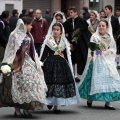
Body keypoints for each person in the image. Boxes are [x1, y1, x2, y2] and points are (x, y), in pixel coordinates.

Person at [0, 17, 47, 118]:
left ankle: (26, 108)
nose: (31, 27)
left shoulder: (29, 35)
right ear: (24, 24)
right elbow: (10, 51)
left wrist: (36, 62)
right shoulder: (14, 35)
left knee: (31, 85)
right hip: (17, 62)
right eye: (30, 25)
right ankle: (17, 110)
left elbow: (32, 51)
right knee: (19, 86)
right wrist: (9, 64)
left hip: (28, 61)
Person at [78, 19, 120, 110]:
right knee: (93, 78)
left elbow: (113, 48)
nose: (101, 27)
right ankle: (90, 99)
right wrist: (92, 56)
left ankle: (108, 102)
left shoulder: (110, 37)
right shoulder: (94, 36)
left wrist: (109, 51)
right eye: (100, 26)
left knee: (110, 78)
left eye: (103, 26)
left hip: (107, 60)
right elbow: (91, 49)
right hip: (97, 60)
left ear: (107, 27)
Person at [40, 22, 80, 113]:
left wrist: (69, 65)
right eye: (54, 29)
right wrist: (41, 63)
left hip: (61, 64)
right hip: (50, 63)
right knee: (49, 83)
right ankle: (49, 101)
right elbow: (44, 53)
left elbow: (67, 55)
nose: (55, 31)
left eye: (57, 30)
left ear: (61, 31)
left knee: (59, 84)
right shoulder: (48, 40)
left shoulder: (64, 41)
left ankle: (56, 106)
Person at [63, 6, 90, 82]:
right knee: (72, 58)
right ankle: (73, 74)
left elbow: (85, 32)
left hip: (80, 43)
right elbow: (64, 30)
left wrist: (80, 38)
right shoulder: (68, 22)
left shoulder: (82, 21)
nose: (70, 14)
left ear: (76, 13)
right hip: (70, 43)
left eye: (71, 12)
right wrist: (68, 40)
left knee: (79, 58)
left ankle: (79, 74)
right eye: (69, 12)